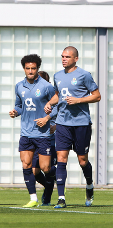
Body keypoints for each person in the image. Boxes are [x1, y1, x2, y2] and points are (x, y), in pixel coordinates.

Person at [44, 46, 101, 208]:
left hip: (81, 124)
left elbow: (97, 96)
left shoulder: (84, 75)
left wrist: (78, 100)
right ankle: (61, 198)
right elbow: (57, 95)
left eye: (67, 57)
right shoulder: (57, 76)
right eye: (62, 56)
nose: (64, 59)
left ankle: (89, 185)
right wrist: (49, 103)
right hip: (62, 124)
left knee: (82, 160)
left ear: (75, 59)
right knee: (61, 159)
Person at [9, 54, 56, 207]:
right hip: (26, 133)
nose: (30, 71)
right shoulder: (19, 86)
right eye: (28, 68)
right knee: (26, 165)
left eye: (33, 68)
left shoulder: (46, 86)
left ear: (37, 69)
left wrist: (46, 119)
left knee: (45, 168)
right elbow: (19, 105)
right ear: (24, 69)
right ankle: (33, 198)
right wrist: (15, 112)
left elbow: (57, 106)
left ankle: (53, 182)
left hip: (42, 134)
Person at [32, 71, 57, 206]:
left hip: (50, 139)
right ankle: (53, 182)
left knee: (47, 168)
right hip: (35, 137)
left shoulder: (54, 97)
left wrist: (56, 126)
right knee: (35, 171)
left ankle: (47, 198)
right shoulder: (33, 97)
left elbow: (63, 113)